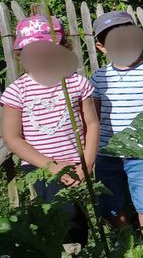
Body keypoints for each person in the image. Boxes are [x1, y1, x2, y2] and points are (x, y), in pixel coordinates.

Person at [1, 15, 99, 243]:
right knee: (61, 217)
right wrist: (52, 166)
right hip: (42, 167)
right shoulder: (18, 91)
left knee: (79, 219)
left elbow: (92, 124)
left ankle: (78, 250)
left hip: (78, 165)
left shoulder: (76, 83)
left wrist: (87, 162)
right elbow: (12, 138)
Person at [91, 11, 143, 244]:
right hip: (107, 152)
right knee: (110, 202)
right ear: (102, 46)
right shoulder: (99, 77)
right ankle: (125, 242)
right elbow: (93, 119)